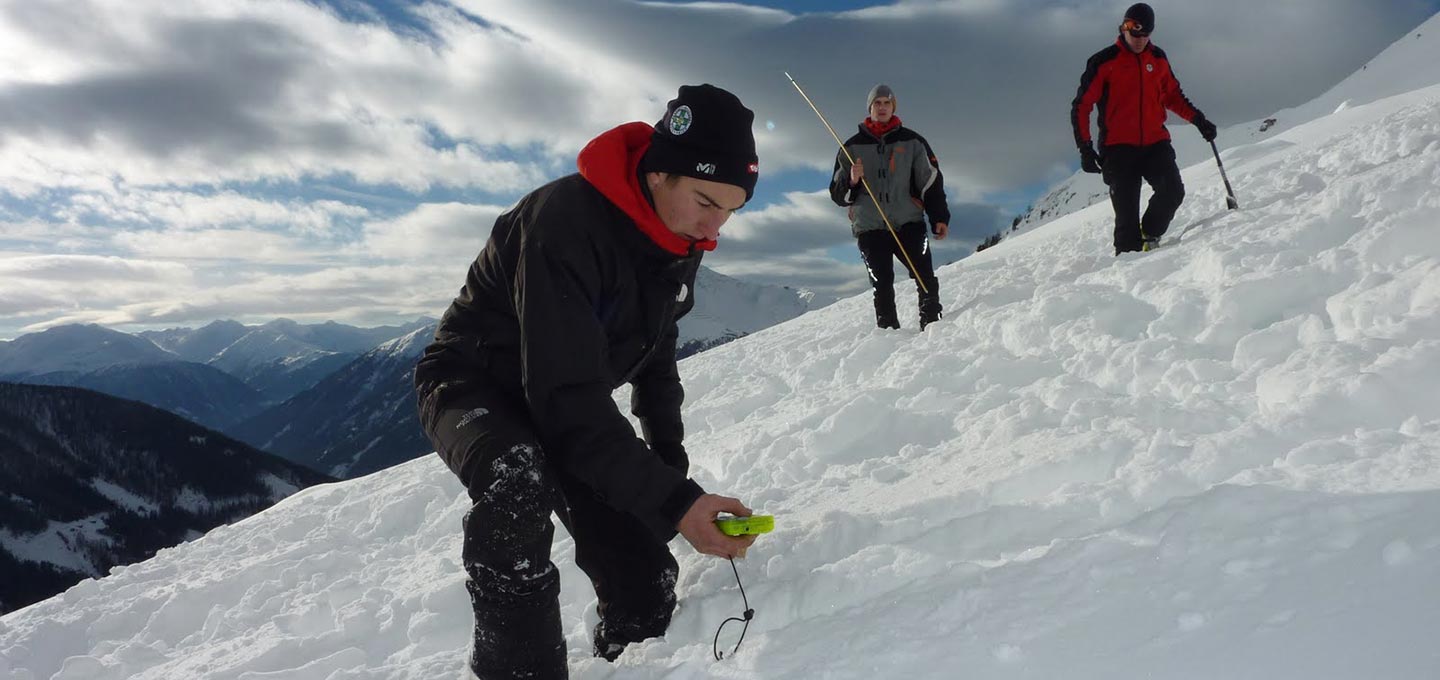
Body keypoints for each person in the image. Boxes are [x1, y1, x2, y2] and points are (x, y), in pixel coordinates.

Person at [414, 84, 760, 680]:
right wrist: (678, 504)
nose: (716, 227)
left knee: (645, 589)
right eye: (708, 201)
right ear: (659, 175)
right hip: (473, 382)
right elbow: (568, 401)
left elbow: (655, 355)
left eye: (731, 210)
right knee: (516, 486)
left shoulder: (680, 236)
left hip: (561, 393)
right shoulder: (564, 224)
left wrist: (672, 478)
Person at [1070, 2, 1218, 254]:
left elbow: (1172, 95)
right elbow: (1082, 106)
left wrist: (1198, 119)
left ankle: (1150, 233)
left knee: (1172, 191)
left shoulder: (1157, 59)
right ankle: (1129, 264)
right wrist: (1084, 147)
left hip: (1154, 143)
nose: (1139, 39)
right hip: (1118, 149)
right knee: (1126, 223)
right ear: (1124, 27)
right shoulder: (1104, 61)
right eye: (1133, 32)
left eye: (1145, 34)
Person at [828, 83, 950, 330]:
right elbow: (837, 195)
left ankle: (933, 327)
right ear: (870, 107)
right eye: (877, 103)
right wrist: (852, 180)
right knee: (881, 284)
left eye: (887, 103)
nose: (882, 107)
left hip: (908, 223)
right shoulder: (850, 148)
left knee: (924, 277)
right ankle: (888, 333)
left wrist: (939, 216)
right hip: (870, 227)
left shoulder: (914, 142)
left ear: (893, 107)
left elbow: (931, 181)